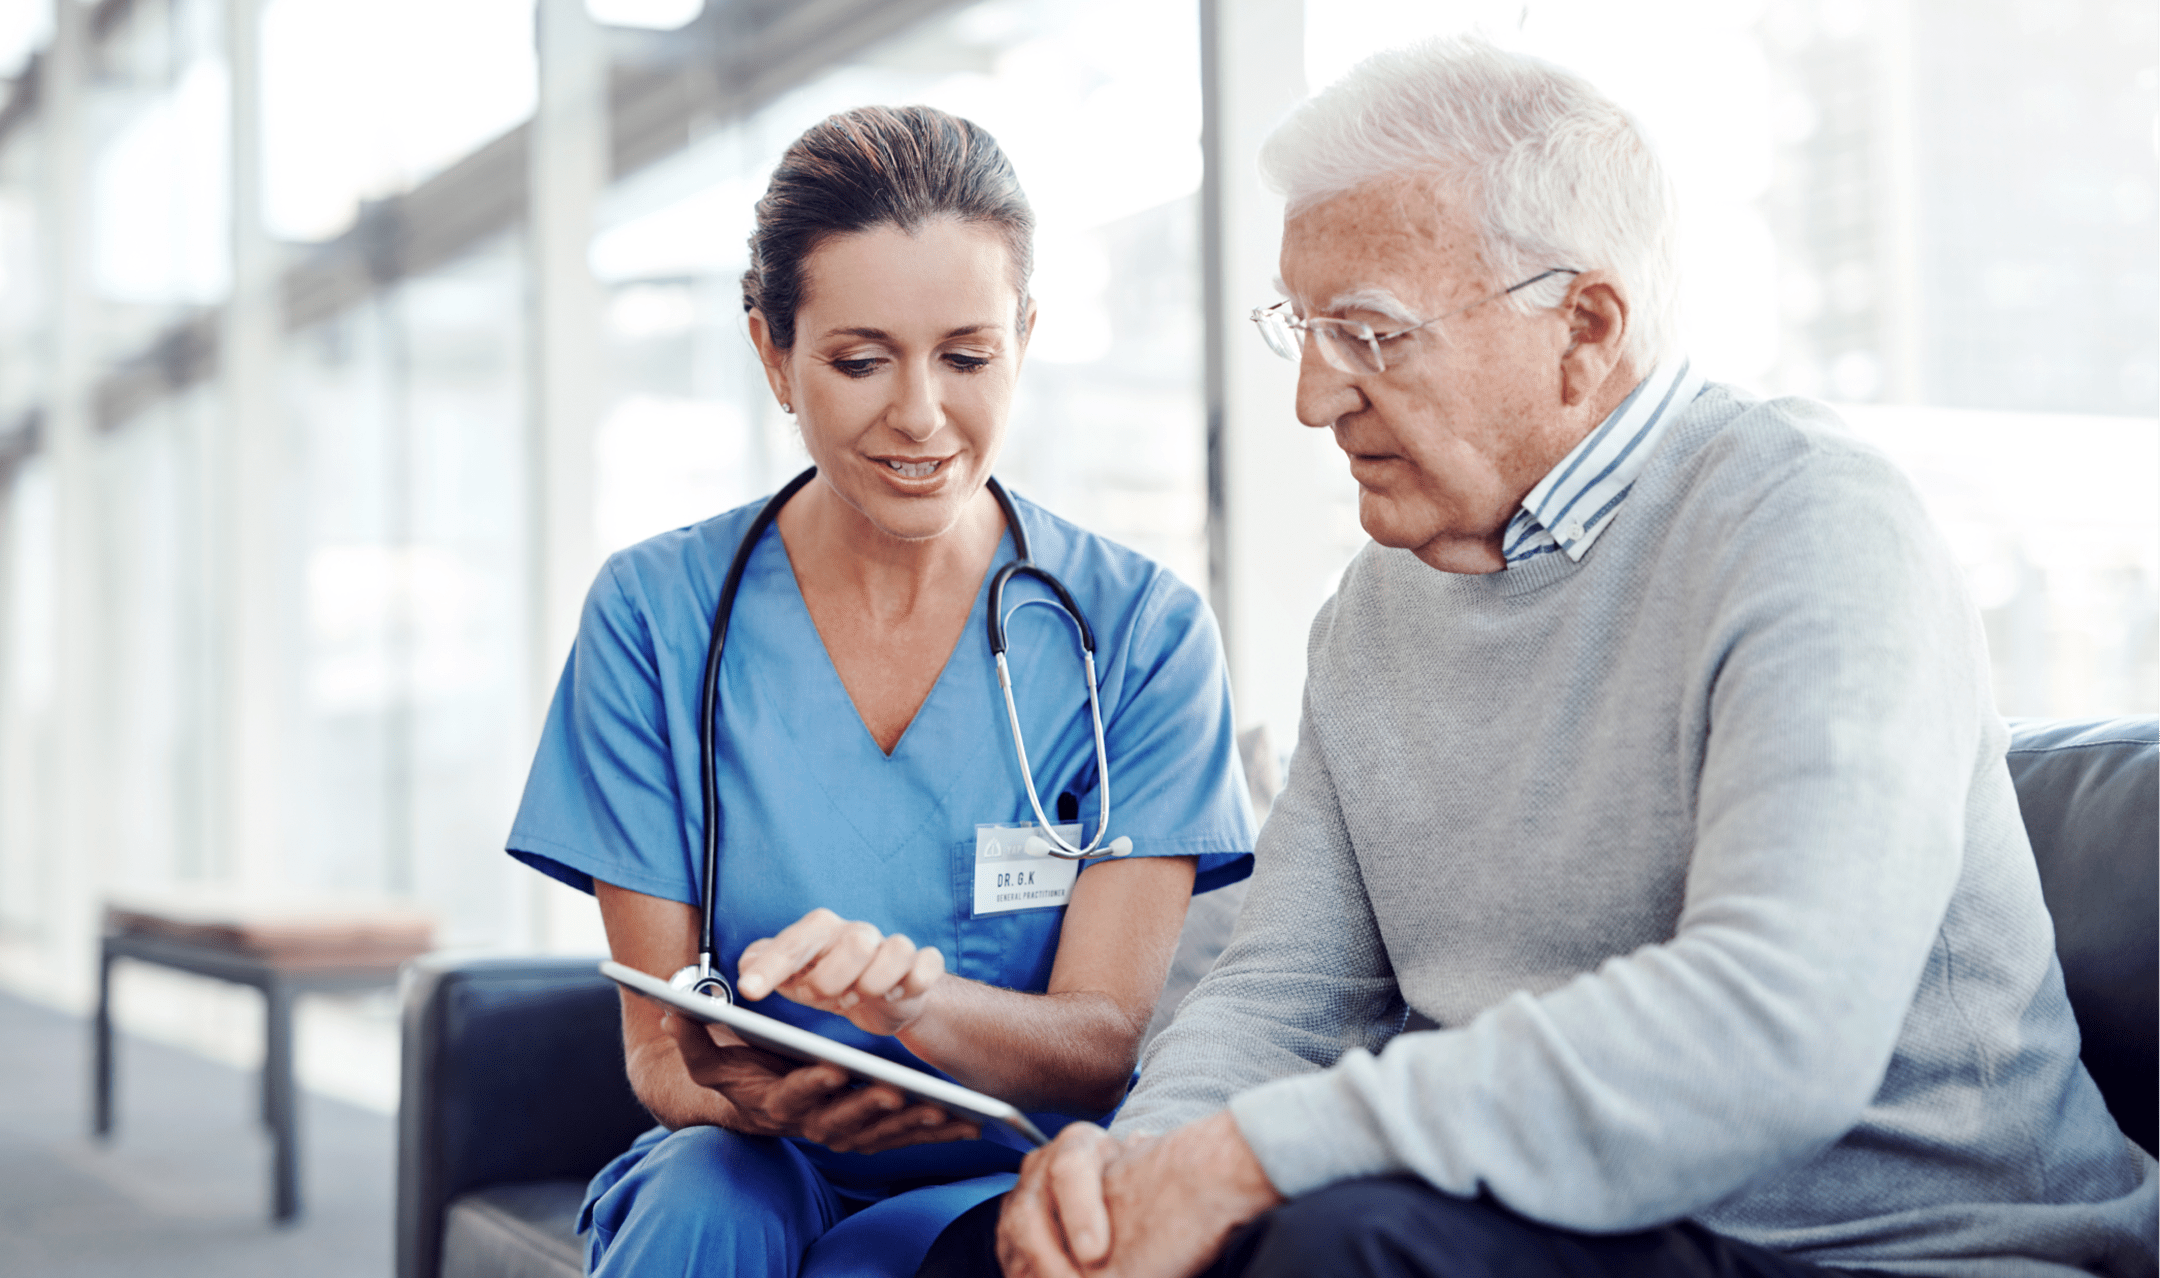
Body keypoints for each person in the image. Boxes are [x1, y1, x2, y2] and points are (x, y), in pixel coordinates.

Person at [970, 37, 2159, 1278]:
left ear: (1584, 326)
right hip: (1556, 1230)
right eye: (1302, 330)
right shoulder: (1373, 613)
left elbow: (1776, 1027)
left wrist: (1248, 1161)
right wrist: (1143, 1169)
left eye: (1368, 333)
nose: (1313, 400)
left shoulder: (1812, 520)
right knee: (999, 1251)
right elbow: (1284, 997)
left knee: (1342, 1246)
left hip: (1899, 1251)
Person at [505, 104, 1255, 1278]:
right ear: (772, 354)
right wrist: (741, 1097)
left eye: (967, 356)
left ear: (1026, 336)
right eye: (859, 362)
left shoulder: (1139, 633)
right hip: (752, 1157)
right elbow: (658, 1047)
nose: (920, 415)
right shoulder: (655, 616)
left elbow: (1103, 1042)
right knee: (705, 1202)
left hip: (1015, 1164)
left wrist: (917, 1008)